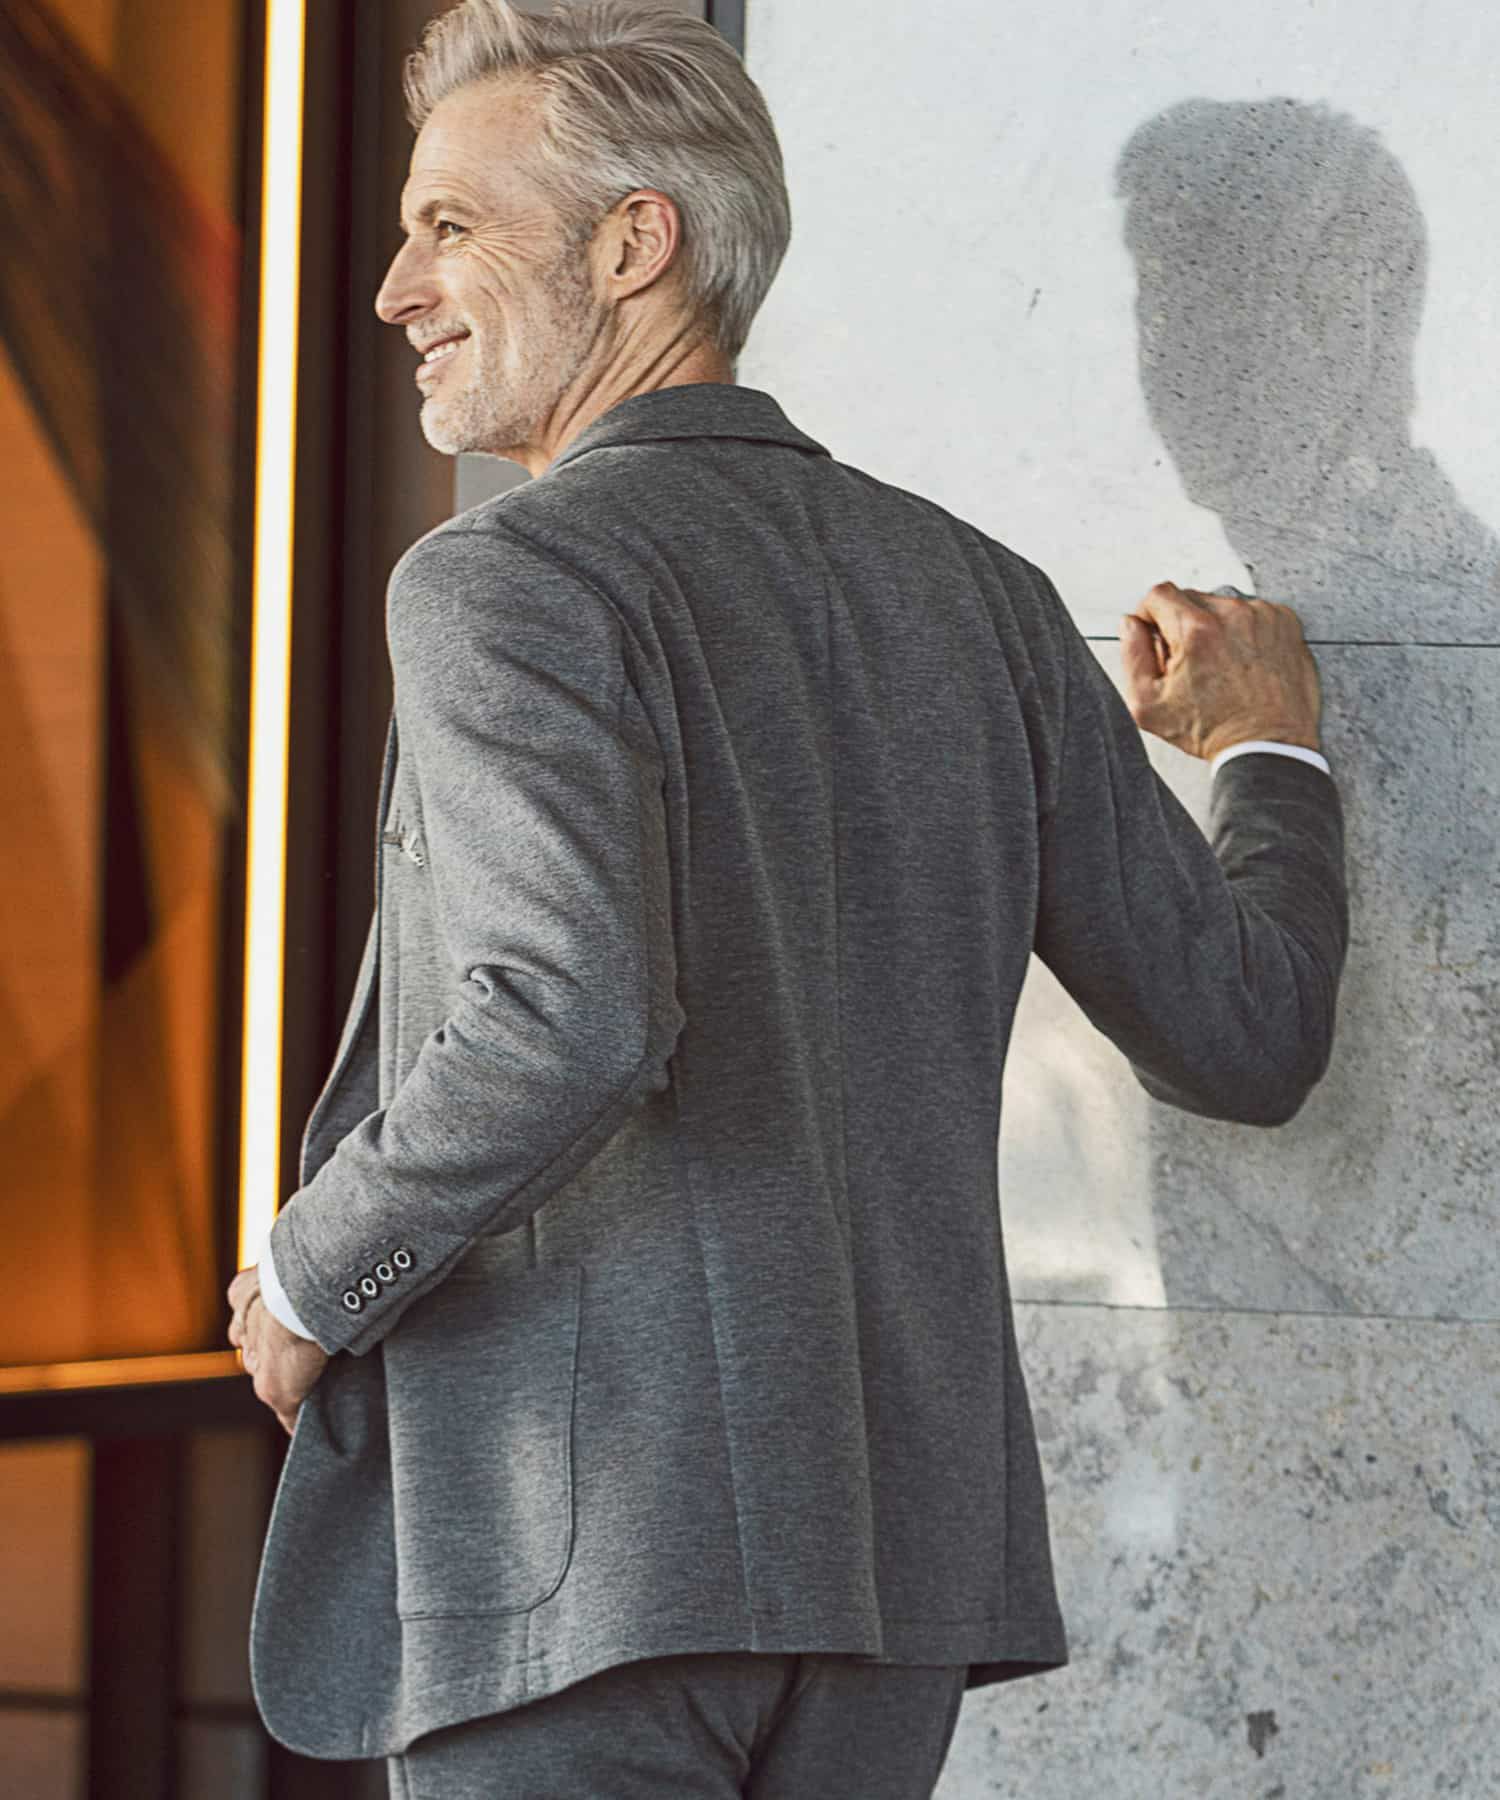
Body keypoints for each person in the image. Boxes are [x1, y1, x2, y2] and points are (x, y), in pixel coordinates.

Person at [224, 3, 1348, 1794]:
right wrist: (1269, 755)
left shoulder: (501, 579)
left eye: (448, 225)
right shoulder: (981, 597)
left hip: (587, 1565)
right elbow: (1247, 1032)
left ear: (635, 242)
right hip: (893, 1581)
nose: (391, 289)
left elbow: (562, 1013)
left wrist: (309, 1271)